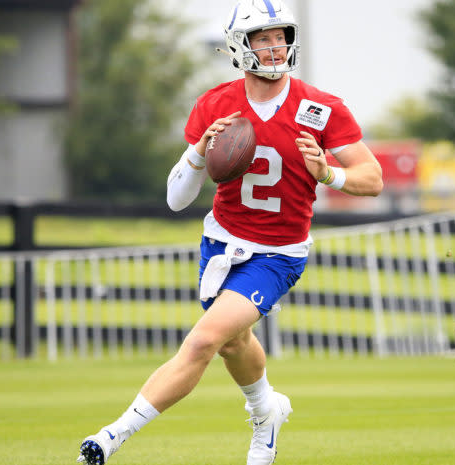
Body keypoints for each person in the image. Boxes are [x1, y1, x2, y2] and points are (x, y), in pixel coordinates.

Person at [76, 1, 382, 464]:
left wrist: (329, 174)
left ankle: (109, 438)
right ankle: (266, 412)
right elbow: (176, 199)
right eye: (264, 37)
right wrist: (200, 151)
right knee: (233, 342)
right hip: (220, 243)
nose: (276, 47)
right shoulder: (216, 104)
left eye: (280, 37)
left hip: (279, 254)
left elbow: (373, 178)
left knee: (203, 340)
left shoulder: (320, 107)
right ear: (241, 45)